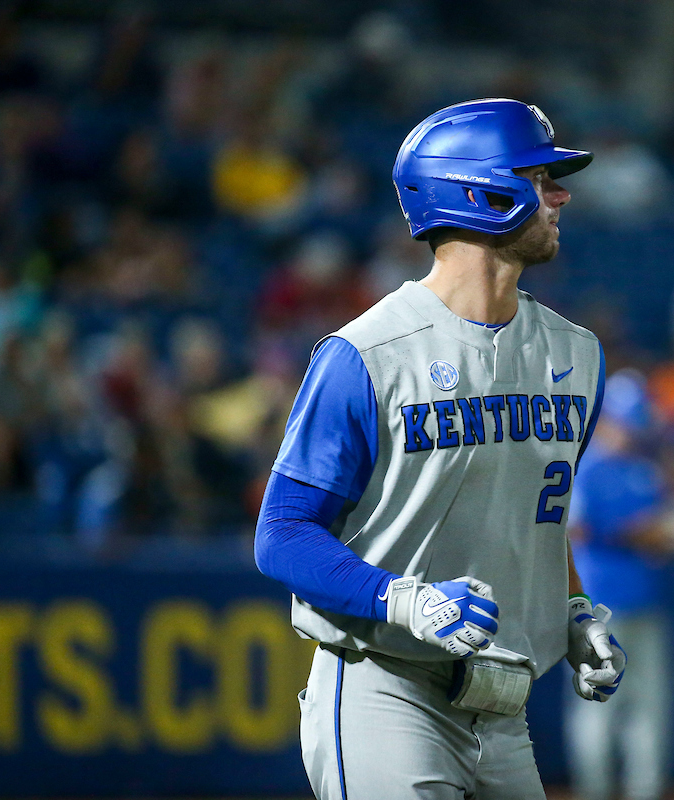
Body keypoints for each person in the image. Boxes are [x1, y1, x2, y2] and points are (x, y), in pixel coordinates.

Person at [254, 98, 626, 800]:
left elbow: (534, 518)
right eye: (542, 177)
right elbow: (281, 535)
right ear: (480, 188)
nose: (561, 194)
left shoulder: (577, 355)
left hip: (501, 706)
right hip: (382, 687)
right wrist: (399, 598)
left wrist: (573, 611)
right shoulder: (367, 354)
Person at [565, 370, 674, 800]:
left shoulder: (643, 470)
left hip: (645, 599)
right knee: (596, 705)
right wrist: (640, 533)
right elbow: (579, 530)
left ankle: (644, 791)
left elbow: (659, 536)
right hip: (599, 607)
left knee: (649, 708)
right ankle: (593, 792)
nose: (631, 430)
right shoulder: (586, 467)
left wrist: (655, 535)